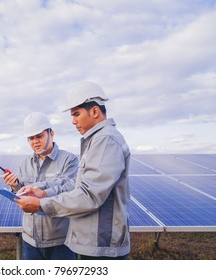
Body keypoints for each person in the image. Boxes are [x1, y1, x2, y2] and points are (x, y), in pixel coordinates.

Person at [15, 81, 131, 260]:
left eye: (76, 114)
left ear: (94, 111)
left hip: (102, 245)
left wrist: (41, 204)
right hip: (93, 243)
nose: (73, 121)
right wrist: (43, 192)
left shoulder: (105, 141)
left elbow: (89, 195)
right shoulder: (96, 141)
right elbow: (73, 185)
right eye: (30, 138)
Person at [3, 112, 78, 260]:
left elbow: (71, 190)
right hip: (30, 240)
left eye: (39, 136)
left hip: (60, 240)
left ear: (51, 134)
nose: (35, 141)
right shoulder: (25, 164)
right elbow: (22, 194)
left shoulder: (69, 160)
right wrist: (16, 186)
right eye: (31, 138)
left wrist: (42, 193)